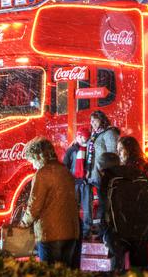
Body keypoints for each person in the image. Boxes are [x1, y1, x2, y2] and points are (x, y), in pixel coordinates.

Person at [19, 137, 81, 267]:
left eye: (32, 160)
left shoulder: (42, 174)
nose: (33, 165)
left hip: (50, 234)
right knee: (66, 274)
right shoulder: (65, 171)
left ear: (38, 156)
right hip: (71, 232)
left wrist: (23, 223)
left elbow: (34, 205)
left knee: (50, 275)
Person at [101, 136, 148, 270]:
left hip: (133, 224)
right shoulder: (142, 165)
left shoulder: (134, 169)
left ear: (129, 150)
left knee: (130, 266)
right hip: (143, 225)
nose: (119, 153)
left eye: (121, 149)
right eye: (118, 150)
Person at [84, 110, 120, 234]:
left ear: (101, 120)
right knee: (92, 202)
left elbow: (113, 154)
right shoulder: (95, 135)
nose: (91, 123)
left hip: (103, 174)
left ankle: (105, 230)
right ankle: (93, 228)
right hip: (92, 174)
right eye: (91, 120)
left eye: (94, 120)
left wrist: (107, 172)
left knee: (105, 203)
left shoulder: (109, 133)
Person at [62, 126, 92, 237]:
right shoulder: (72, 150)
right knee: (74, 207)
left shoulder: (88, 149)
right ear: (79, 137)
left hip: (84, 182)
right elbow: (65, 165)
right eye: (85, 138)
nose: (86, 140)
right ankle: (74, 229)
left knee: (87, 207)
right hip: (75, 182)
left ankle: (85, 231)